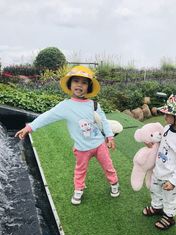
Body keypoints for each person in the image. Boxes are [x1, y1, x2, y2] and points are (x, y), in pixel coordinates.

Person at [15, 65, 120, 205]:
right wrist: (29, 127)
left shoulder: (94, 104)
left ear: (88, 87)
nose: (80, 85)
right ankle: (79, 189)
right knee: (80, 170)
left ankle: (114, 184)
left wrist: (110, 137)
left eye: (84, 82)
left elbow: (104, 122)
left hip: (100, 144)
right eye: (76, 81)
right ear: (70, 84)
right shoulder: (65, 106)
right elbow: (47, 116)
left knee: (108, 166)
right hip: (82, 148)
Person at [142, 93, 176, 230]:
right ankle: (157, 208)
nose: (164, 116)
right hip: (158, 170)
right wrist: (151, 141)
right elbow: (161, 139)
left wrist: (173, 182)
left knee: (170, 198)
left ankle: (169, 217)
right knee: (155, 191)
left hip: (171, 177)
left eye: (167, 114)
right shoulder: (166, 128)